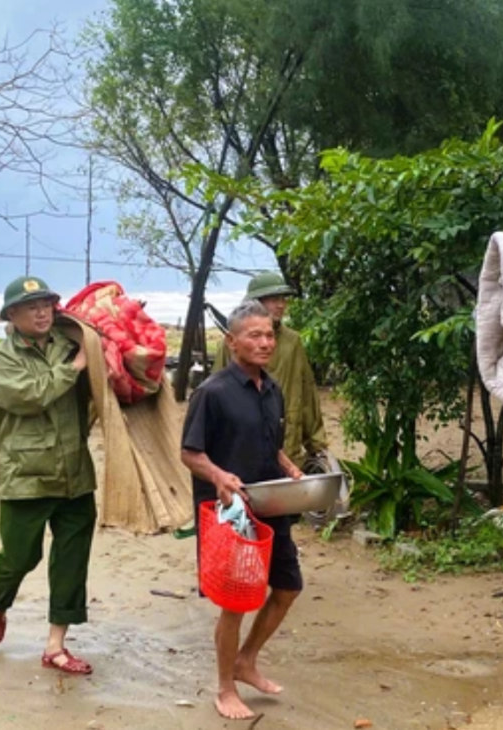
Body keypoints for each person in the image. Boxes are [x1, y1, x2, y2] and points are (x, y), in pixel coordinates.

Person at [182, 299, 306, 721]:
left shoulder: (272, 389)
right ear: (232, 342)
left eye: (270, 334)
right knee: (235, 603)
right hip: (229, 514)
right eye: (255, 335)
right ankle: (224, 688)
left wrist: (288, 465)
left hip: (270, 504)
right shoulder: (211, 393)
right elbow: (190, 453)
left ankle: (246, 660)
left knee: (288, 588)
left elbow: (269, 441)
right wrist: (218, 476)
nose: (265, 342)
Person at [0, 276, 99, 675]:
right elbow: (29, 396)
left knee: (71, 558)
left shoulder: (71, 345)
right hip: (26, 475)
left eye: (46, 303)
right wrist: (75, 369)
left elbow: (102, 390)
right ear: (11, 316)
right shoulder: (1, 361)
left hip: (75, 474)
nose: (42, 311)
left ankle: (55, 646)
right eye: (31, 306)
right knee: (19, 555)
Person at [213, 272, 328, 467]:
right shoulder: (232, 343)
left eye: (283, 299)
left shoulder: (292, 342)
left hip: (287, 447)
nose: (281, 305)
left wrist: (317, 446)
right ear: (256, 302)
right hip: (240, 451)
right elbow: (215, 393)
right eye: (274, 299)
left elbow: (307, 393)